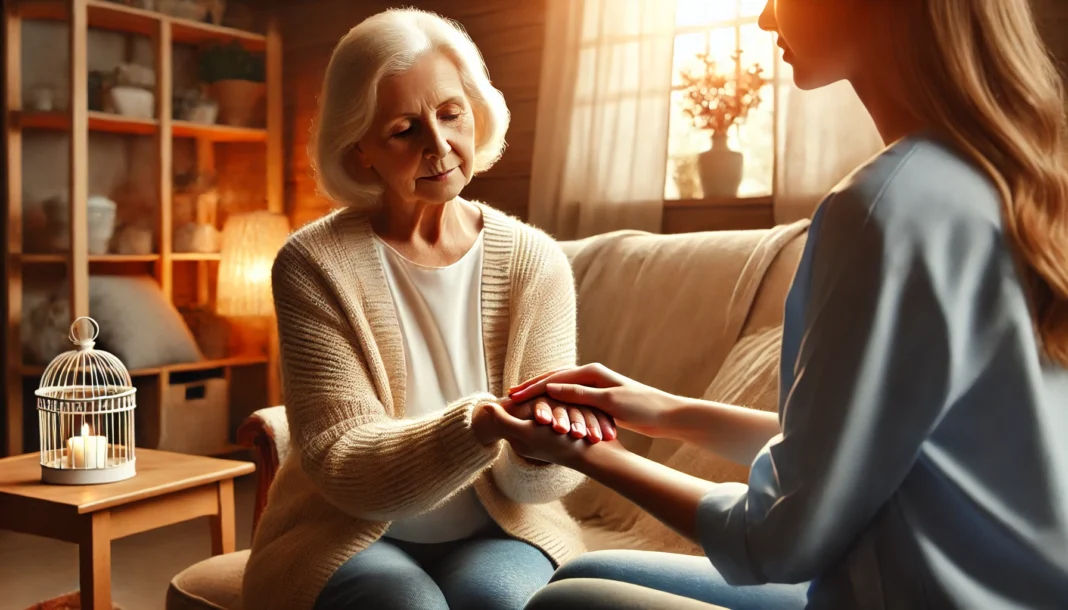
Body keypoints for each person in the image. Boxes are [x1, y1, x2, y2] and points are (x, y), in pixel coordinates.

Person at [481, 1, 1068, 608]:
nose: (765, 19)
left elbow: (779, 538)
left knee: (564, 603)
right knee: (588, 574)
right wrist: (661, 410)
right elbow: (860, 445)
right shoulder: (1018, 180)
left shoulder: (882, 209)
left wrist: (592, 455)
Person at [240, 8, 616, 610]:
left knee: (502, 603)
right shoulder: (312, 265)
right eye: (404, 129)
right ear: (360, 148)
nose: (438, 145)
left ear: (475, 111)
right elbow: (341, 459)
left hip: (503, 530)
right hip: (347, 534)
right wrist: (479, 425)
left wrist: (543, 443)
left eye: (450, 114)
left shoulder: (536, 262)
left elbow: (549, 479)